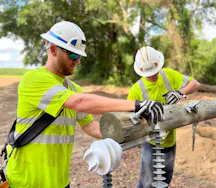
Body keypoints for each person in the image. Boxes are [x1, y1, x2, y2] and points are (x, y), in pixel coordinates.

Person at [6, 21, 164, 188]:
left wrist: (132, 133)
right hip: (27, 181)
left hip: (59, 182)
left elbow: (90, 127)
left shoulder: (74, 89)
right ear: (53, 50)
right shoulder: (34, 79)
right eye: (73, 55)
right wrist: (136, 104)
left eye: (79, 56)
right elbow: (79, 103)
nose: (77, 61)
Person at [127, 46, 200, 188]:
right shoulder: (136, 89)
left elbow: (196, 84)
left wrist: (180, 92)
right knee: (146, 183)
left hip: (170, 140)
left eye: (154, 71)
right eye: (148, 73)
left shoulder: (169, 75)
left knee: (165, 181)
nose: (152, 75)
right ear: (141, 70)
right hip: (151, 142)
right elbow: (128, 116)